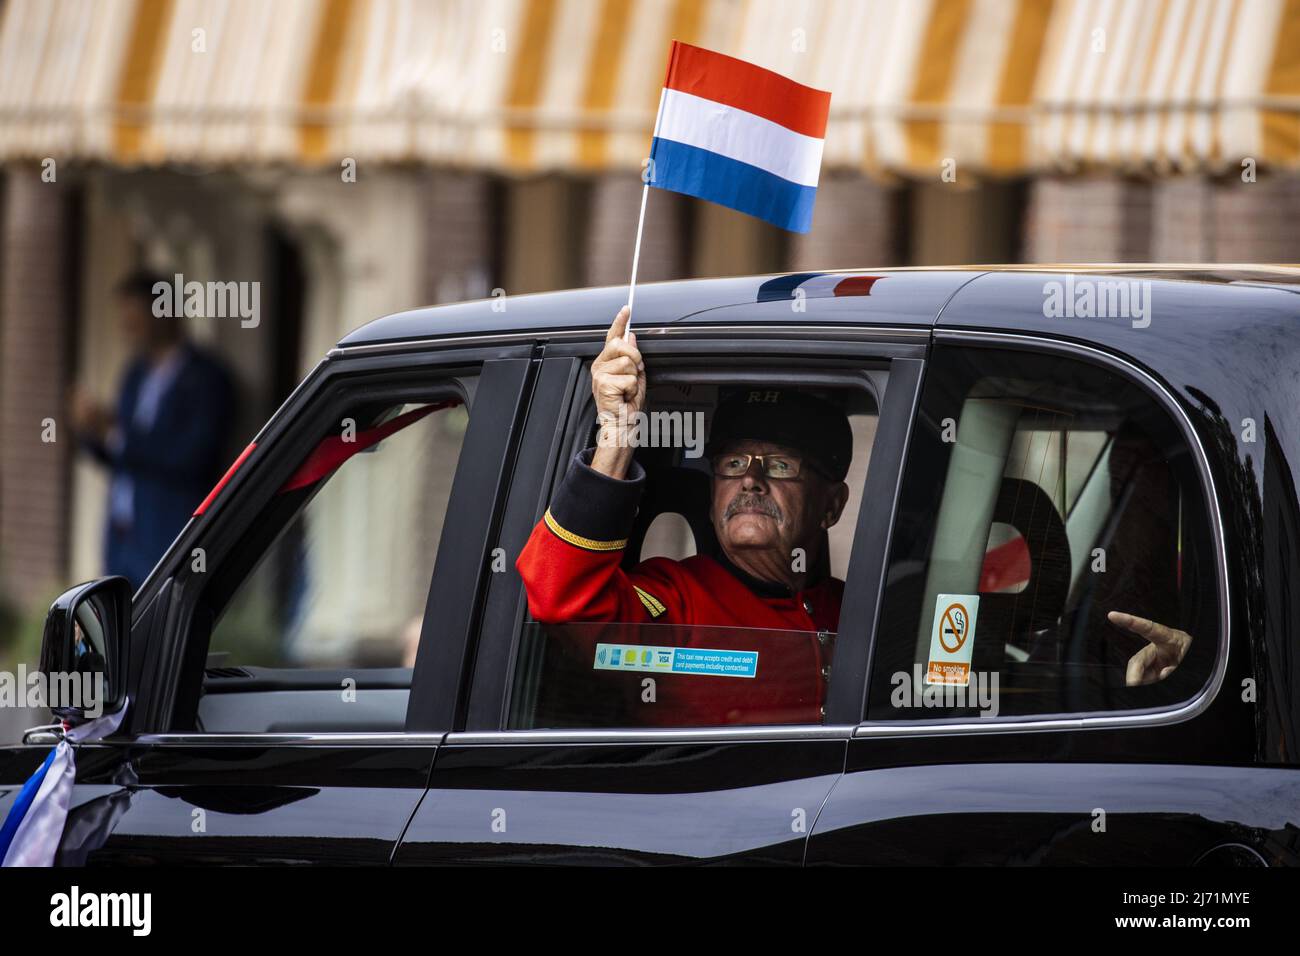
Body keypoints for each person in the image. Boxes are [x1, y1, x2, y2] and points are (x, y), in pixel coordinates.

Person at [516, 308, 1190, 724]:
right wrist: (614, 436)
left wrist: (1124, 686)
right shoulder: (673, 595)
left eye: (779, 467)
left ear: (833, 504)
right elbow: (559, 598)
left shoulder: (872, 611)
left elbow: (971, 694)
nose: (750, 480)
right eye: (733, 464)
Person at [70, 270, 235, 590]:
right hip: (122, 536)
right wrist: (91, 431)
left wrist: (116, 432)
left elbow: (192, 456)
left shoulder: (207, 378)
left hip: (168, 533)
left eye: (135, 315)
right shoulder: (135, 373)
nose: (126, 326)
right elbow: (121, 454)